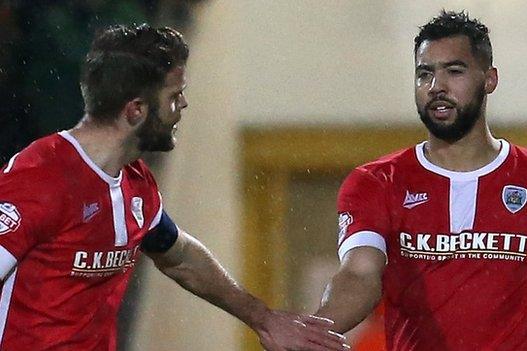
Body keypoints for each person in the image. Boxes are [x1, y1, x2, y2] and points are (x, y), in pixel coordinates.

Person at [0, 24, 349, 351]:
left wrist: (263, 318)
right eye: (174, 95)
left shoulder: (136, 183)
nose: (182, 105)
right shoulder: (40, 179)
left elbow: (180, 257)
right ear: (136, 110)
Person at [315, 10, 527, 351]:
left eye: (454, 71)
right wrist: (313, 330)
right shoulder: (377, 182)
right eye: (424, 74)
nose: (436, 86)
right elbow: (359, 275)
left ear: (489, 79)